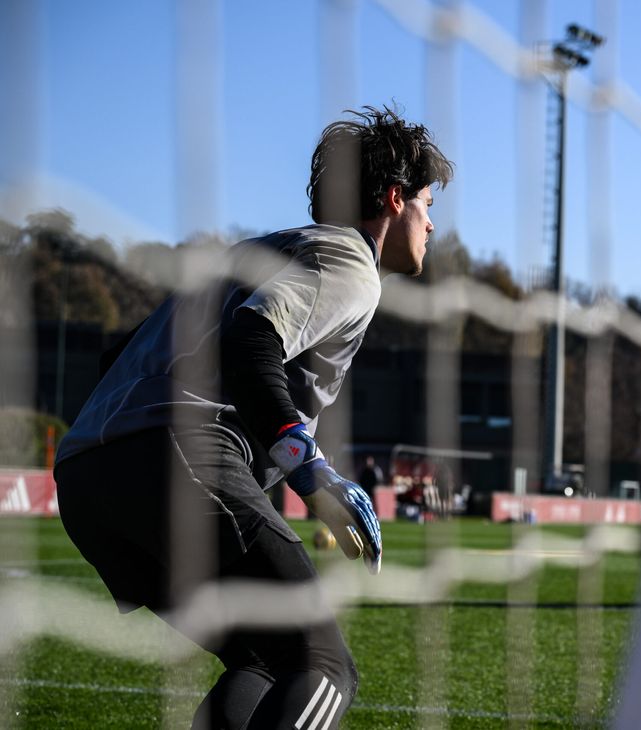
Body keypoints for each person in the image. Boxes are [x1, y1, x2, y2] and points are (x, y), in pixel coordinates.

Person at [54, 106, 452, 728]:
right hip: (175, 453)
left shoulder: (254, 251)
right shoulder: (351, 261)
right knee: (322, 663)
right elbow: (251, 340)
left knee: (266, 660)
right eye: (430, 205)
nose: (434, 226)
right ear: (396, 199)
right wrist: (308, 468)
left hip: (86, 477)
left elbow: (118, 353)